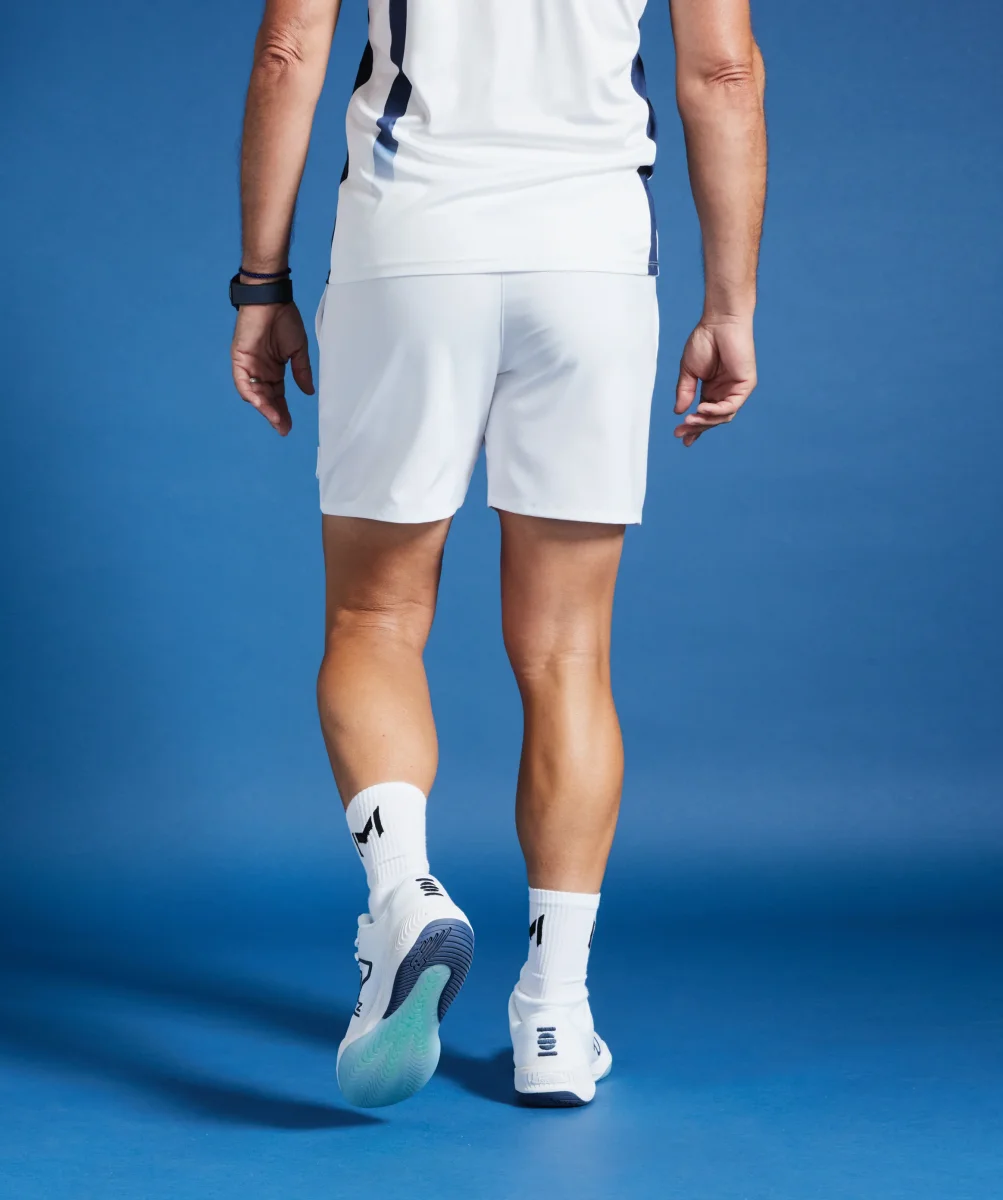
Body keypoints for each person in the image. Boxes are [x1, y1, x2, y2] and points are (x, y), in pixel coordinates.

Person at [230, 0, 765, 1108]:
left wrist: (261, 281)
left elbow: (289, 51)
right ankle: (555, 1017)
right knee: (569, 656)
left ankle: (403, 894)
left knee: (375, 620)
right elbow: (722, 74)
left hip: (410, 243)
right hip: (591, 258)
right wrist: (730, 304)